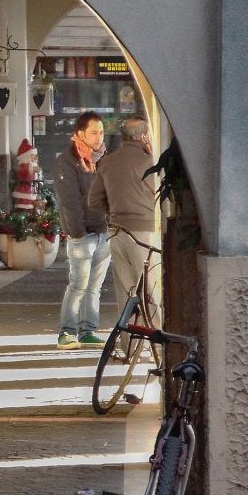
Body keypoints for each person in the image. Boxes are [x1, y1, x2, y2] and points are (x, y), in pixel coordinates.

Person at [88, 115, 160, 325]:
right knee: (150, 289)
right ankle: (159, 340)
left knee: (126, 290)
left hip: (117, 232)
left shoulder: (107, 162)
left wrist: (115, 210)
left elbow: (94, 201)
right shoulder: (151, 163)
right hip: (144, 233)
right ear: (145, 136)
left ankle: (130, 342)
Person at [51, 111, 113, 349]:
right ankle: (66, 332)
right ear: (79, 134)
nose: (99, 137)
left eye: (101, 132)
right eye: (94, 132)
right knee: (78, 284)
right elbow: (70, 202)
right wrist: (77, 233)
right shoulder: (66, 162)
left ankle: (88, 330)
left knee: (95, 287)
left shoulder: (104, 159)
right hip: (82, 235)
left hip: (104, 231)